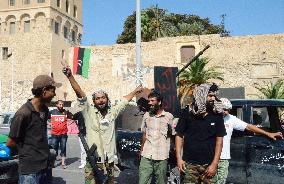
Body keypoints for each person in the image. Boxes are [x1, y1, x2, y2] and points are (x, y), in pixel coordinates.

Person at [62, 66, 142, 184]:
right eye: (97, 98)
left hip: (109, 159)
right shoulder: (88, 111)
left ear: (107, 99)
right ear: (94, 102)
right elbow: (80, 94)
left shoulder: (112, 112)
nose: (100, 100)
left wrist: (135, 91)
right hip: (93, 158)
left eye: (103, 98)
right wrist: (70, 76)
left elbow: (124, 101)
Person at [212, 98, 283, 184]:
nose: (225, 112)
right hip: (210, 157)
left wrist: (267, 133)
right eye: (223, 109)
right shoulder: (210, 118)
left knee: (220, 181)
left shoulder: (230, 119)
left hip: (224, 158)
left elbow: (248, 126)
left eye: (227, 110)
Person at [6, 75, 57, 184]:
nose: (55, 94)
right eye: (53, 91)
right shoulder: (23, 113)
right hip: (30, 171)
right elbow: (10, 143)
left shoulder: (44, 110)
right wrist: (29, 152)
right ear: (44, 91)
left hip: (45, 167)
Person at [175, 83, 226, 184]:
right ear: (202, 95)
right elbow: (179, 135)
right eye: (210, 96)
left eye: (214, 96)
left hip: (209, 165)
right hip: (189, 164)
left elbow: (219, 141)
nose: (213, 99)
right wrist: (179, 159)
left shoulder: (217, 114)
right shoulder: (187, 112)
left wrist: (214, 164)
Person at [139, 91, 174, 184]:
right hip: (146, 155)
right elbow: (144, 134)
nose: (149, 103)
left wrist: (172, 150)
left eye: (152, 100)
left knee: (161, 182)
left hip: (161, 156)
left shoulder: (168, 117)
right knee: (143, 181)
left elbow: (172, 134)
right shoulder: (146, 115)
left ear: (159, 102)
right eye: (149, 101)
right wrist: (141, 150)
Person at [49, 100, 73, 169]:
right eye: (60, 104)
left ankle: (63, 163)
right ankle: (52, 163)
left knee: (63, 148)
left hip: (63, 134)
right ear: (56, 105)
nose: (61, 106)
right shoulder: (52, 112)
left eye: (62, 104)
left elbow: (73, 118)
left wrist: (68, 123)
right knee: (54, 149)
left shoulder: (66, 112)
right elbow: (45, 119)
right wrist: (49, 124)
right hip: (54, 134)